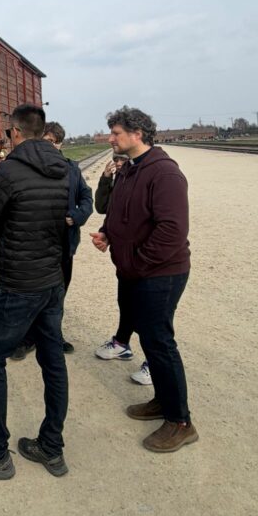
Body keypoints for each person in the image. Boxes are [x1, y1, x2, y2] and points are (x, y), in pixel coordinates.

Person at [0, 104, 70, 482]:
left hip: (19, 281)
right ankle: (51, 446)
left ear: (15, 133)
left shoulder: (8, 170)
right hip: (52, 279)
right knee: (53, 360)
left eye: (8, 133)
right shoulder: (62, 168)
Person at [90, 106, 198, 453]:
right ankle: (162, 402)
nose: (111, 139)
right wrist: (108, 233)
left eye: (116, 133)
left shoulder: (164, 173)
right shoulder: (129, 170)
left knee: (160, 344)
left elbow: (171, 230)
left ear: (138, 134)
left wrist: (137, 263)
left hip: (160, 273)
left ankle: (181, 422)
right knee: (151, 343)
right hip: (137, 272)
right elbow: (120, 212)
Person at [10, 121, 92, 356]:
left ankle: (53, 336)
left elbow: (86, 198)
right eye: (44, 141)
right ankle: (26, 338)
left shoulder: (71, 168)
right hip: (34, 245)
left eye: (51, 143)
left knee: (58, 294)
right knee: (31, 294)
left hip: (63, 243)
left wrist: (77, 215)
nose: (47, 147)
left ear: (60, 145)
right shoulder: (26, 168)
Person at [93, 153, 153, 386]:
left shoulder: (144, 177)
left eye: (122, 159)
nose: (117, 162)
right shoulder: (121, 178)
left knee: (150, 314)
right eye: (115, 159)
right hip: (125, 259)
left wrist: (143, 258)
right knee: (126, 303)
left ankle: (153, 362)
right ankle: (122, 344)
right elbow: (103, 207)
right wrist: (106, 180)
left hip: (144, 261)